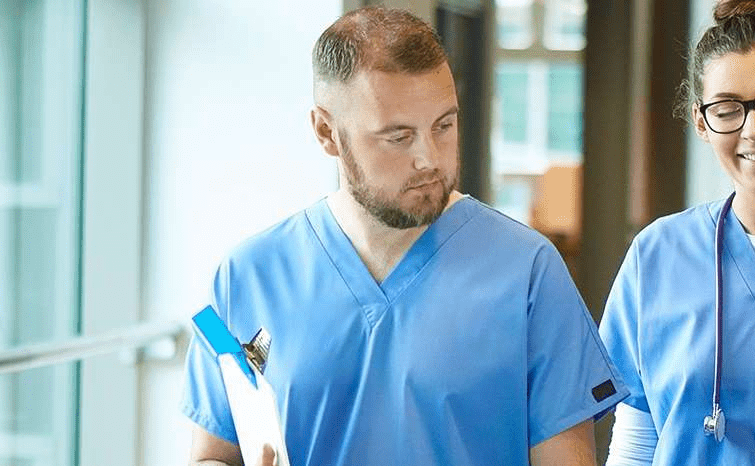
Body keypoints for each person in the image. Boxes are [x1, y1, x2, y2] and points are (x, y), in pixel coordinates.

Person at [181, 7, 626, 465]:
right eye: (398, 137)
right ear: (326, 132)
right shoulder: (249, 274)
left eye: (444, 126)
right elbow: (212, 455)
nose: (429, 159)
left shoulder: (527, 271)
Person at [597, 1, 755, 464]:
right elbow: (638, 435)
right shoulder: (657, 255)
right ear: (701, 121)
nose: (754, 130)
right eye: (727, 109)